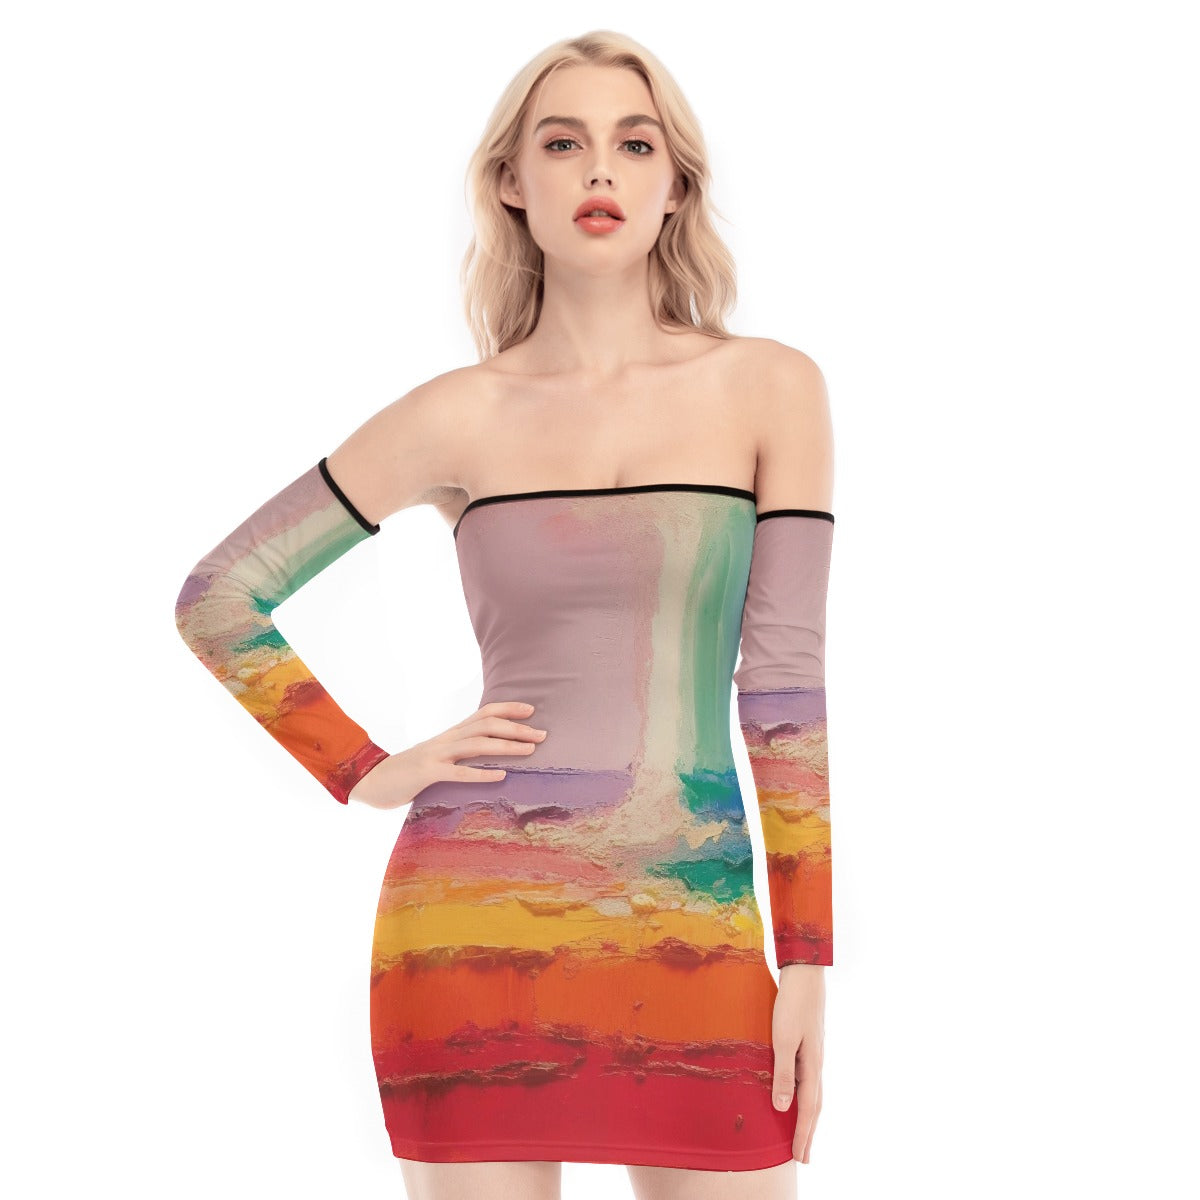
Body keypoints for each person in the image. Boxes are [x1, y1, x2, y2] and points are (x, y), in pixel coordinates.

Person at [174, 29, 834, 1200]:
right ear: (511, 184)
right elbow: (219, 598)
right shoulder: (456, 415)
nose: (601, 170)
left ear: (677, 185)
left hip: (699, 925)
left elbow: (781, 688)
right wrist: (367, 768)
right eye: (563, 143)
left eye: (635, 144)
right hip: (474, 926)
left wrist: (809, 963)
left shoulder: (769, 388)